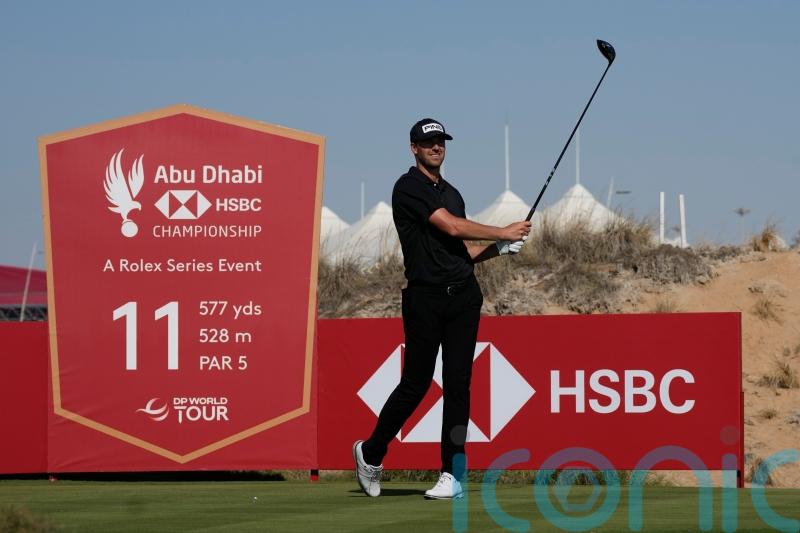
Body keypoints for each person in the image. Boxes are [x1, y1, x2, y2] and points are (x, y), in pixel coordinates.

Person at [353, 118, 532, 499]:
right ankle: (371, 452)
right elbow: (450, 227)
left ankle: (452, 473)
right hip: (425, 299)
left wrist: (499, 249)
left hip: (463, 297)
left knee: (458, 384)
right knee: (416, 383)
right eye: (428, 142)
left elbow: (463, 251)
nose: (436, 147)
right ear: (414, 148)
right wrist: (502, 231)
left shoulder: (453, 193)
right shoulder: (408, 188)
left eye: (441, 142)